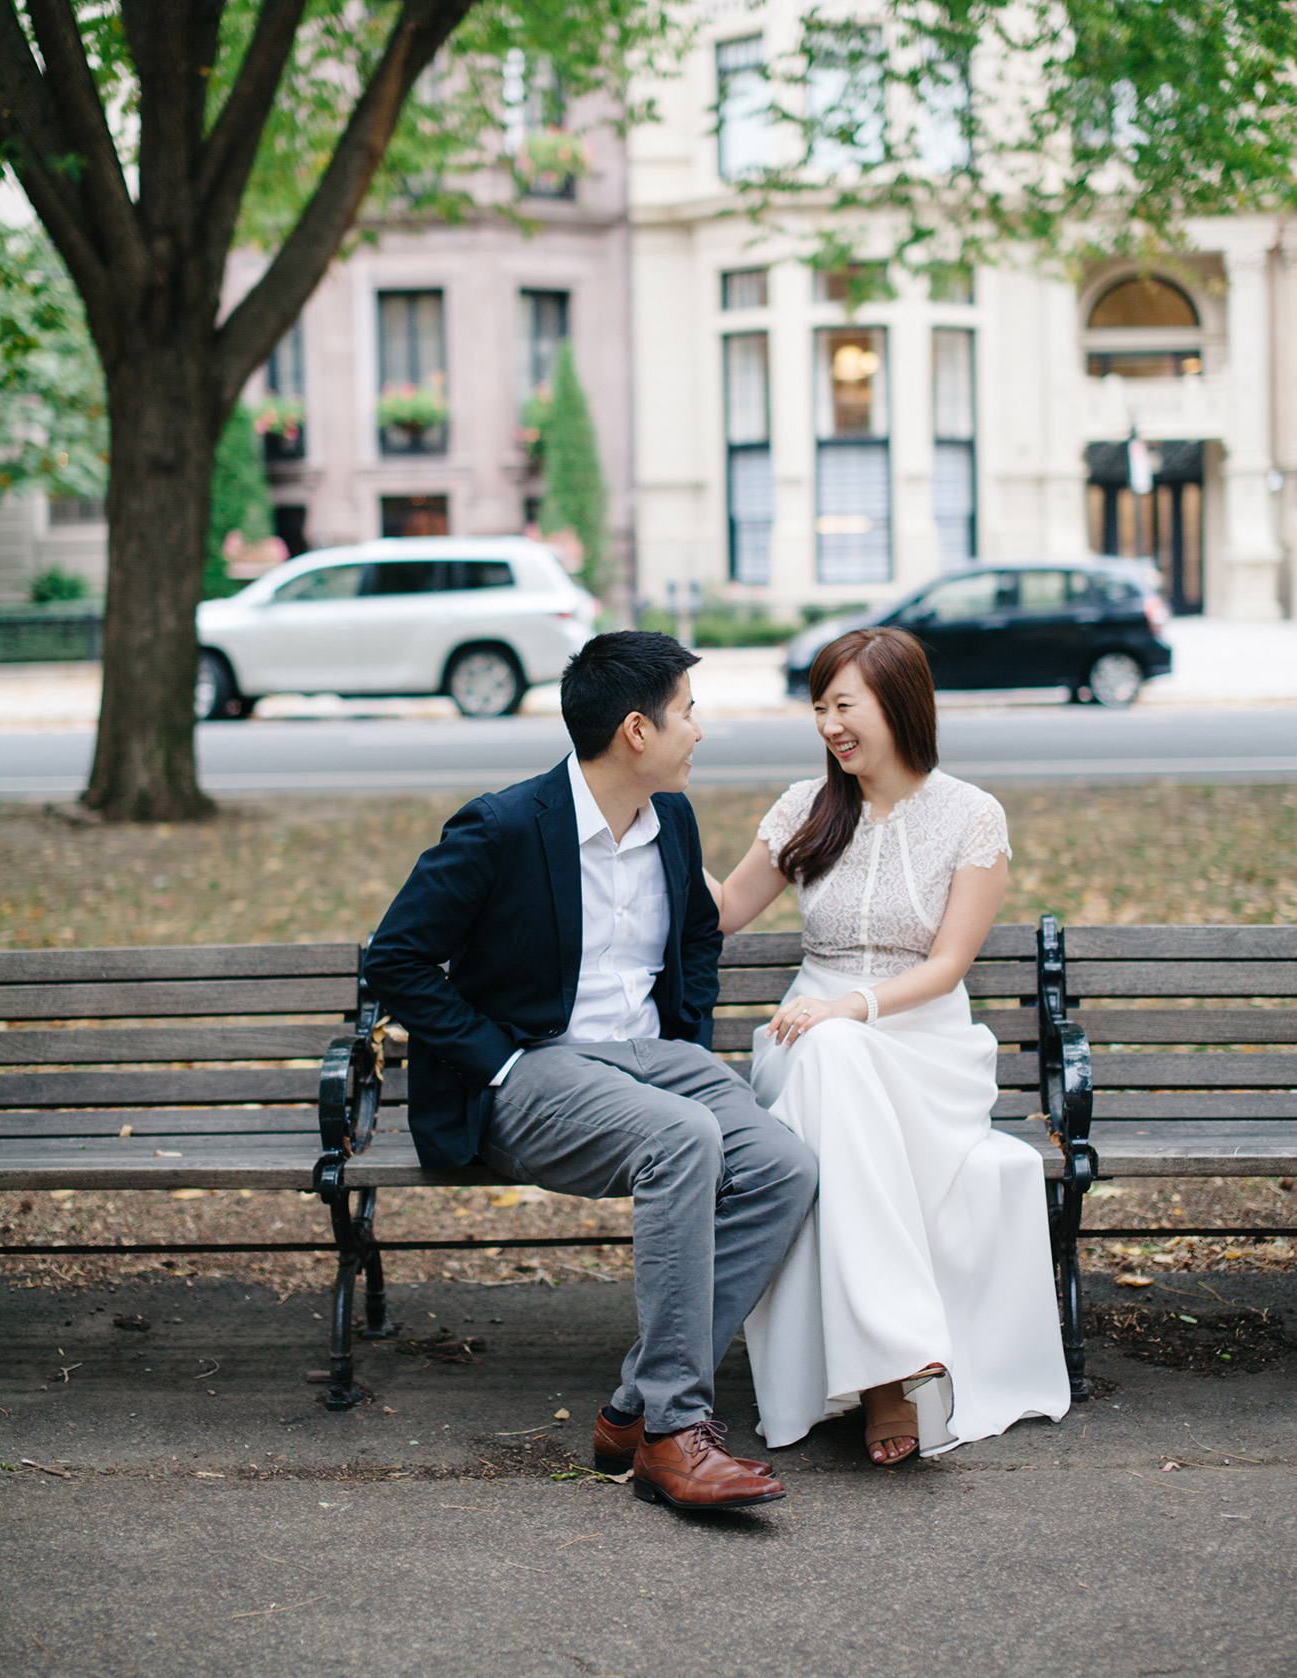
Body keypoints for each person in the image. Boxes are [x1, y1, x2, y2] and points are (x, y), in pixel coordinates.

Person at [363, 630, 818, 1514]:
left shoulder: (672, 821)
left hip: (657, 1062)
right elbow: (398, 961)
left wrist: (688, 1035)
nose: (701, 730)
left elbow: (695, 932)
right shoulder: (501, 827)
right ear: (637, 731)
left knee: (784, 1167)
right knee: (683, 1140)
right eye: (690, 713)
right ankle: (675, 1432)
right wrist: (493, 1060)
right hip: (536, 1068)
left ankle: (633, 1406)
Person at [705, 627, 1071, 1462]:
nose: (830, 724)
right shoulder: (806, 806)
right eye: (820, 708)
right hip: (807, 1039)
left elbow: (946, 967)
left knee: (843, 1053)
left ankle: (883, 1366)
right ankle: (891, 1373)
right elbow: (724, 910)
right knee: (830, 1058)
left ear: (899, 702)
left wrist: (855, 1006)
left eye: (845, 704)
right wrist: (650, 814)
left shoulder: (971, 815)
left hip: (925, 1047)